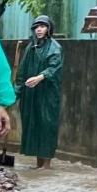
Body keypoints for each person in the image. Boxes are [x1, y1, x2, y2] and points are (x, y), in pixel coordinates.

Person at [15, 15, 64, 168]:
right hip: (31, 96)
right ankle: (39, 164)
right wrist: (15, 94)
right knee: (34, 125)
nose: (39, 29)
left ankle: (46, 165)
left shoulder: (55, 47)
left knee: (47, 126)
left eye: (42, 26)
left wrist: (40, 77)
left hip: (47, 96)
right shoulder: (31, 48)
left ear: (48, 28)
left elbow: (54, 68)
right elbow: (22, 72)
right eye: (37, 27)